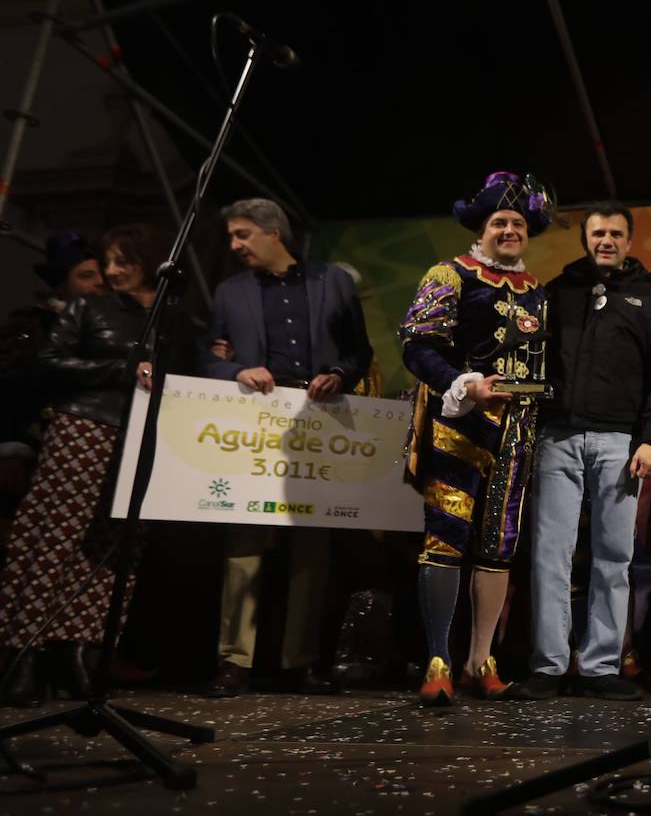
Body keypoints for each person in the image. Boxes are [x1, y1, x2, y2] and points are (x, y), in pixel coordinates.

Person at [0, 224, 190, 707]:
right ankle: (24, 657)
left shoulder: (173, 316)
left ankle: (77, 655)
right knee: (52, 541)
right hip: (86, 427)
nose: (111, 272)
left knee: (113, 550)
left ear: (147, 260)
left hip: (143, 438)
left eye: (122, 261)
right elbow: (47, 359)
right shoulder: (93, 307)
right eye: (106, 263)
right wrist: (122, 369)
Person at [199, 199, 373, 698]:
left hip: (317, 420)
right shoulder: (230, 291)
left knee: (310, 547)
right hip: (255, 419)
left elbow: (358, 350)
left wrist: (340, 374)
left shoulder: (332, 282)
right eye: (233, 235)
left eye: (242, 235)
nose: (234, 245)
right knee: (245, 541)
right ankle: (234, 660)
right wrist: (235, 370)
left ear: (274, 233)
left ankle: (300, 662)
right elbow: (207, 353)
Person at [508, 202, 651, 701]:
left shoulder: (650, 300)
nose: (607, 240)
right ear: (586, 238)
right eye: (598, 233)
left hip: (620, 443)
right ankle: (549, 664)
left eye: (616, 234)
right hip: (557, 438)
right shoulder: (558, 292)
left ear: (630, 240)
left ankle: (603, 666)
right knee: (550, 555)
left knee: (614, 556)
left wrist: (650, 440)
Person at [399, 171, 553, 703]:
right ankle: (437, 661)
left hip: (518, 433)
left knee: (499, 547)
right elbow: (418, 347)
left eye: (517, 222)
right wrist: (464, 385)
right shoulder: (449, 274)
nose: (509, 230)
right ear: (481, 228)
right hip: (457, 426)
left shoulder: (536, 291)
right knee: (446, 537)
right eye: (499, 222)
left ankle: (480, 659)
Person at [0, 232, 107, 512]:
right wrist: (12, 450)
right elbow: (8, 390)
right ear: (61, 285)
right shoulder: (32, 325)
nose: (99, 284)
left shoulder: (107, 330)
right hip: (34, 456)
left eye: (101, 276)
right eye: (86, 276)